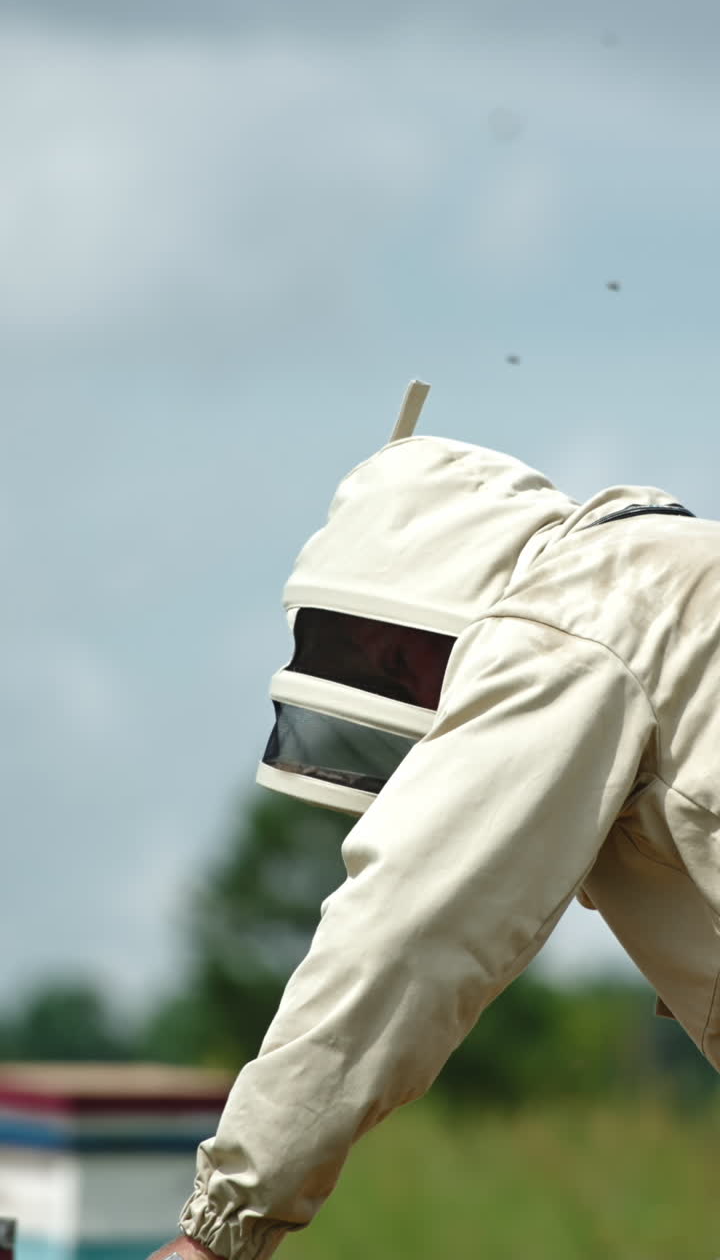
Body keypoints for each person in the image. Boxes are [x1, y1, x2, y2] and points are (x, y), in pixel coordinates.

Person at [149, 383, 720, 1260]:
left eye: (373, 667)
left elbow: (410, 927)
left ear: (393, 642)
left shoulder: (573, 616)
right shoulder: (663, 585)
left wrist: (220, 1228)